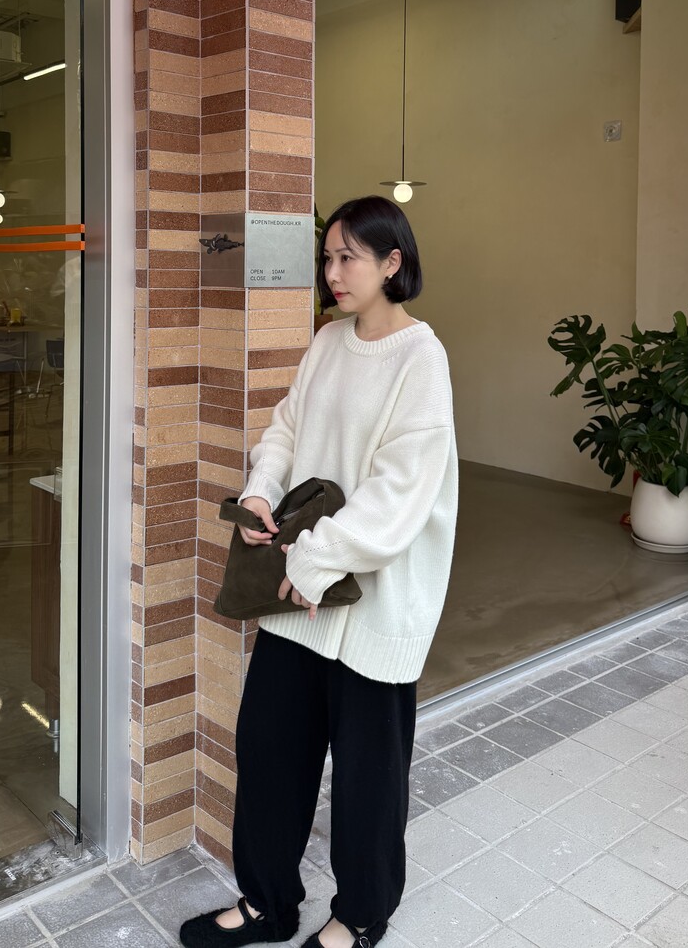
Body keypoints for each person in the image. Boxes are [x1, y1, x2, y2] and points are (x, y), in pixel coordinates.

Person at [179, 195, 458, 948]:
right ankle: (268, 903)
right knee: (270, 750)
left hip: (371, 603)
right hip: (298, 597)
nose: (332, 272)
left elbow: (401, 493)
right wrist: (261, 489)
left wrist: (313, 559)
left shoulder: (421, 358)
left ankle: (361, 914)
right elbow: (287, 427)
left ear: (392, 263)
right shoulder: (329, 341)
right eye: (327, 258)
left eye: (348, 258)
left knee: (369, 777)